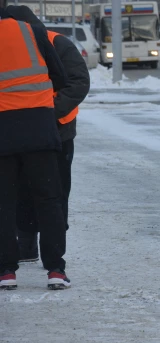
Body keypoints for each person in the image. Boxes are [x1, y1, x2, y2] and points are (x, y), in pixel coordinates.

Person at [4, 6, 90, 264]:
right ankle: (27, 246)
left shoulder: (55, 41)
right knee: (20, 192)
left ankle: (52, 251)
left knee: (55, 192)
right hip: (18, 131)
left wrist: (46, 114)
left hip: (57, 132)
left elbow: (78, 82)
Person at [0, 4, 70, 290]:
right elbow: (61, 77)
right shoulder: (34, 31)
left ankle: (6, 271)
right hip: (40, 130)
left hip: (3, 133)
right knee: (49, 199)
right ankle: (55, 270)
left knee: (4, 202)